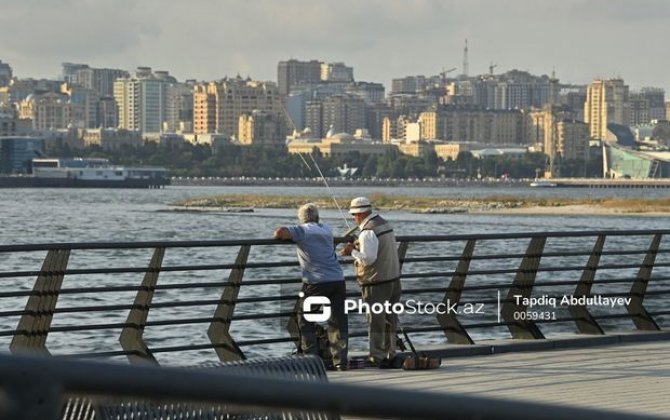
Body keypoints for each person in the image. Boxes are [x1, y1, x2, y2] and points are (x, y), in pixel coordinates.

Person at [273, 203, 348, 371]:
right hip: (337, 279)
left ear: (301, 218)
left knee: (305, 319)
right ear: (317, 216)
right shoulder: (327, 229)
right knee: (337, 322)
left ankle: (310, 359)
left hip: (316, 282)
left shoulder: (303, 230)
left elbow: (280, 233)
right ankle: (340, 361)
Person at [340, 196, 401, 368]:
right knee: (390, 319)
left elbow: (368, 259)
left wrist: (352, 251)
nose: (353, 218)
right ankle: (391, 352)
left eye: (354, 215)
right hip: (393, 279)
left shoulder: (367, 232)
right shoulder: (384, 224)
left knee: (376, 320)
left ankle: (377, 356)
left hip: (376, 283)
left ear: (359, 214)